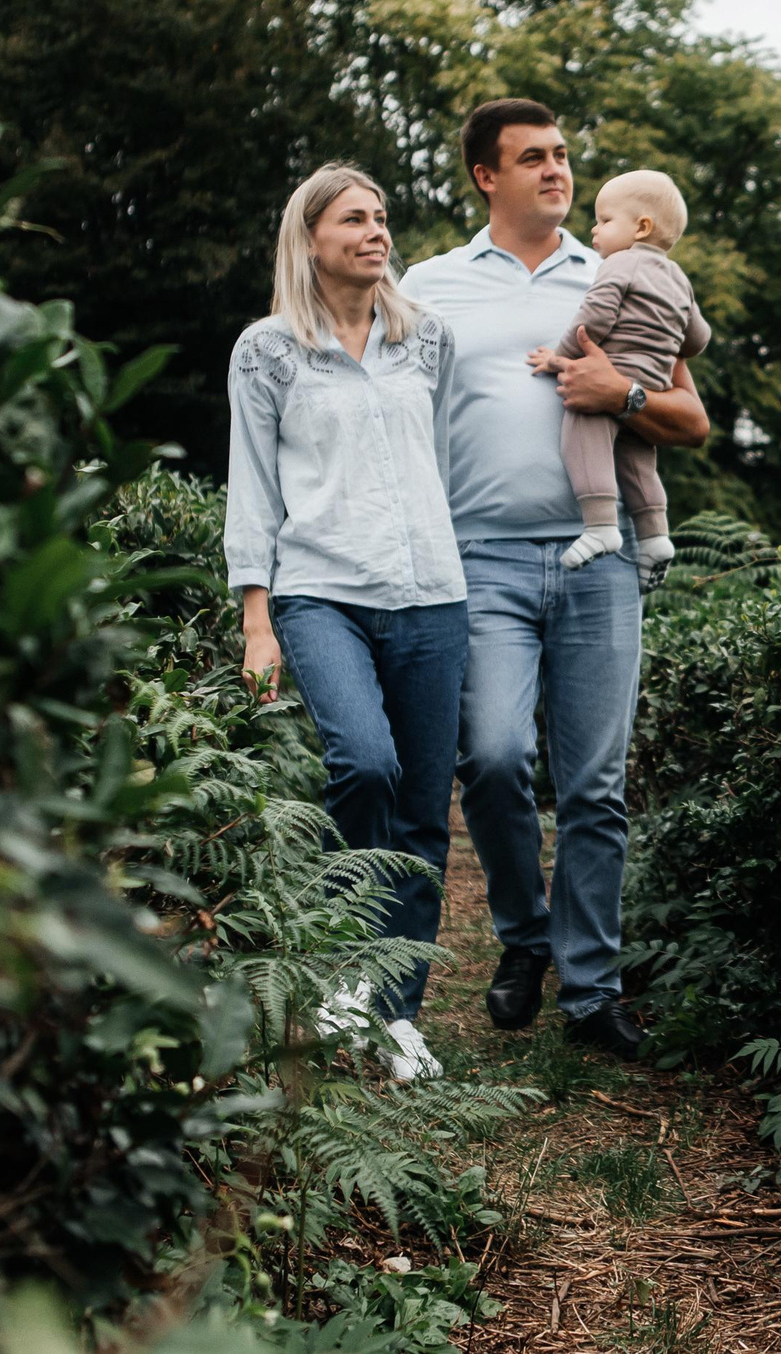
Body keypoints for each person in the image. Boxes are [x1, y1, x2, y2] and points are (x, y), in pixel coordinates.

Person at [398, 99, 711, 1061]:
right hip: (477, 558)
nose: (557, 171)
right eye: (533, 158)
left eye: (564, 154)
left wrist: (614, 390)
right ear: (487, 176)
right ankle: (524, 937)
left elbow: (688, 418)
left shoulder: (620, 270)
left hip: (600, 559)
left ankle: (590, 990)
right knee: (490, 760)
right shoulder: (429, 283)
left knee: (595, 787)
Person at [225, 163, 463, 1082]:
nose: (376, 231)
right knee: (364, 763)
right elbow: (253, 481)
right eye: (355, 219)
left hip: (432, 595)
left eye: (382, 217)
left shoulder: (425, 340)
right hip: (320, 590)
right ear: (310, 237)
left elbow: (433, 465)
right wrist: (257, 615)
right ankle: (343, 971)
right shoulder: (267, 351)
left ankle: (397, 1014)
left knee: (423, 814)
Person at [539, 169, 710, 582]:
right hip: (654, 381)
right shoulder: (679, 278)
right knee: (637, 461)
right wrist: (668, 342)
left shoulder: (620, 264)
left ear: (641, 227)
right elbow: (698, 338)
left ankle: (600, 527)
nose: (594, 230)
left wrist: (558, 357)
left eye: (604, 220)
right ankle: (655, 537)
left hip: (615, 373)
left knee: (582, 429)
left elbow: (593, 318)